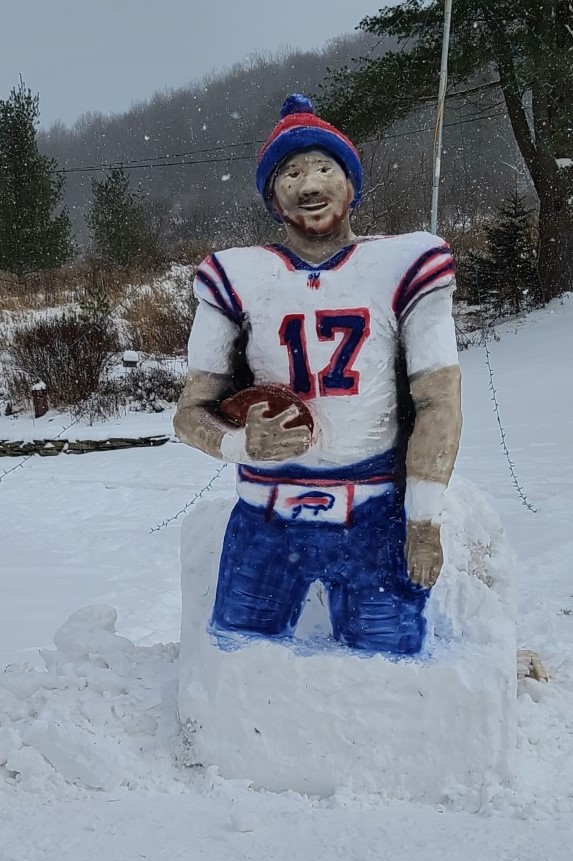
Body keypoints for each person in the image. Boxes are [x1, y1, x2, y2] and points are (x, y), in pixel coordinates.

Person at [174, 94, 462, 656]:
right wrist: (237, 441)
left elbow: (438, 400)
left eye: (325, 168)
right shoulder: (237, 276)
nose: (309, 184)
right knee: (241, 659)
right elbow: (189, 412)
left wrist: (423, 518)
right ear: (272, 198)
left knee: (388, 660)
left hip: (373, 509)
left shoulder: (403, 264)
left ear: (352, 183)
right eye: (291, 173)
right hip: (266, 512)